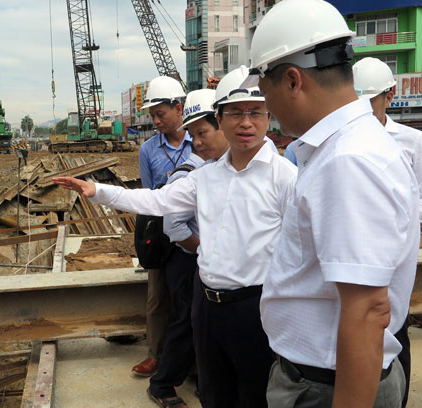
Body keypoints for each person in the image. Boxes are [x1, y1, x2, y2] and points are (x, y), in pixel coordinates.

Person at [54, 65, 297, 408]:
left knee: (255, 393)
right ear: (222, 118)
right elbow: (155, 200)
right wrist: (95, 190)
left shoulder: (286, 178)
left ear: (268, 117)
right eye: (235, 113)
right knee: (214, 393)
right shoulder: (206, 177)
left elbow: (301, 251)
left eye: (255, 113)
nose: (246, 123)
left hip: (254, 309)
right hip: (207, 304)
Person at [244, 0, 420, 406]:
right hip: (322, 378)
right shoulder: (344, 149)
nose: (266, 108)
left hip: (328, 388)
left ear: (292, 80)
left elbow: (368, 311)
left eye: (263, 92)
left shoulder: (348, 160)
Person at [148, 89, 227, 408]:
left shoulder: (224, 169)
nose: (198, 141)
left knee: (202, 323)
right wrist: (202, 251)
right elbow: (172, 225)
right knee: (187, 322)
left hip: (204, 261)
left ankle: (202, 381)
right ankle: (163, 382)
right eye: (196, 134)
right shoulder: (191, 173)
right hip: (186, 259)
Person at [353, 56, 422, 408]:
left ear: (390, 95)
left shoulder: (410, 141)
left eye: (371, 100)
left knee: (395, 328)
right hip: (358, 247)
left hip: (397, 253)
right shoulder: (342, 141)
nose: (363, 109)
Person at [133, 75, 192, 377]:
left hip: (192, 230)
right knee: (157, 296)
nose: (155, 121)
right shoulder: (148, 150)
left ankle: (191, 361)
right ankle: (156, 355)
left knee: (188, 295)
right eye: (152, 116)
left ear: (179, 108)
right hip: (160, 232)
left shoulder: (200, 140)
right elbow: (147, 194)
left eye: (160, 114)